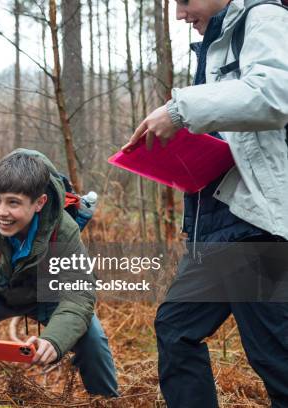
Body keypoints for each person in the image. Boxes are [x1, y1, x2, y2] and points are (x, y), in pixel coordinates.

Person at [123, 0, 288, 406]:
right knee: (176, 328)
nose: (179, 14)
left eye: (184, 1)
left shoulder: (265, 17)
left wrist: (181, 110)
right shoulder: (216, 43)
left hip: (254, 227)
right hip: (218, 227)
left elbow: (273, 95)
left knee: (274, 354)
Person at [0, 149, 119, 397]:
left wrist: (54, 340)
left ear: (39, 203)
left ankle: (107, 401)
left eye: (14, 203)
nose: (0, 211)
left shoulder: (63, 230)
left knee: (92, 337)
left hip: (47, 295)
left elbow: (79, 294)